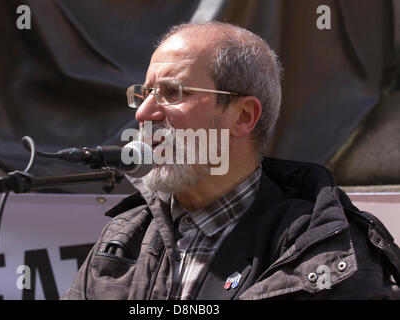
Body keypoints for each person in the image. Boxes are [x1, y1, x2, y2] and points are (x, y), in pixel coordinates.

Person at [61, 21, 400, 300]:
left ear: (243, 115)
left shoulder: (324, 248)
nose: (145, 113)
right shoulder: (124, 237)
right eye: (144, 93)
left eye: (173, 93)